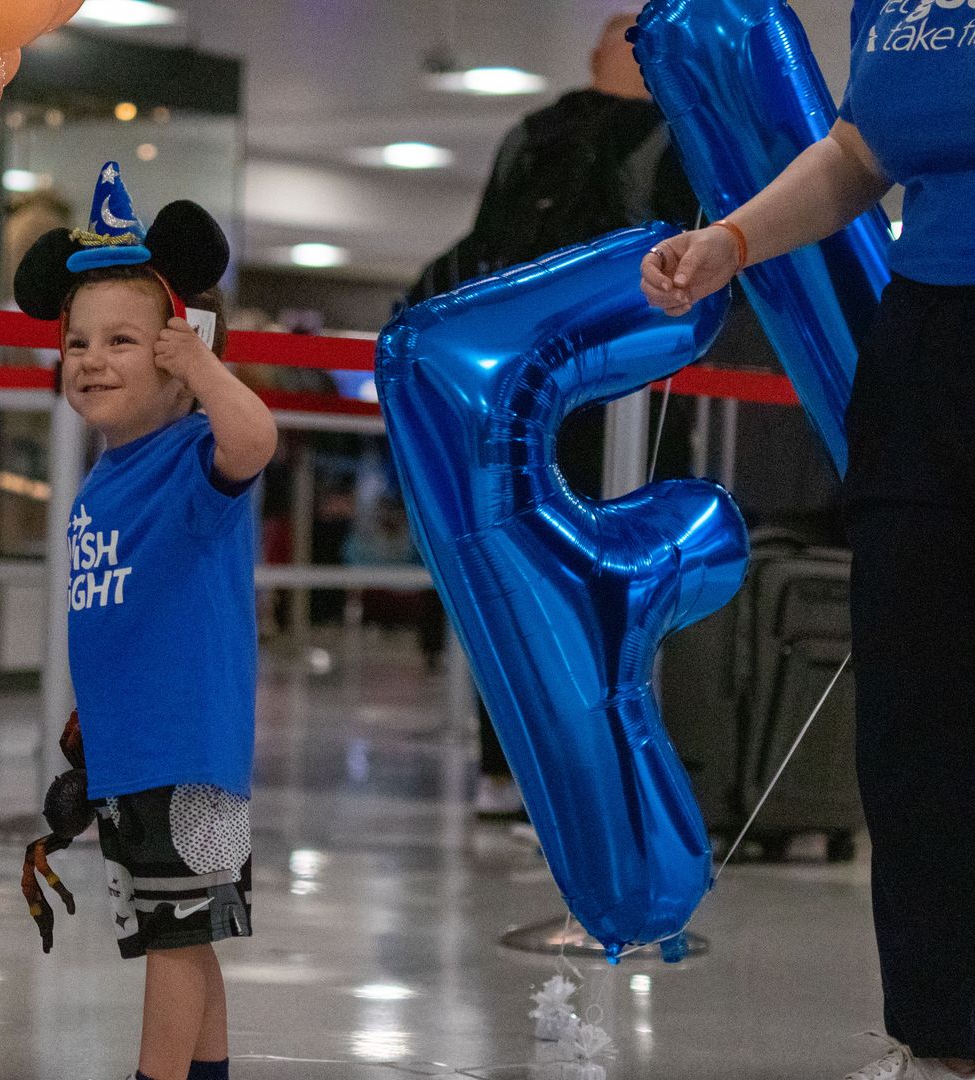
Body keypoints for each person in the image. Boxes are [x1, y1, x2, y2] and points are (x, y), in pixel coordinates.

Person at [641, 1, 975, 1076]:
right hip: (926, 340)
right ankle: (945, 1027)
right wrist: (732, 240)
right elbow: (862, 154)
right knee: (916, 716)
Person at [14, 162, 276, 1080]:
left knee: (171, 943)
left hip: (185, 752)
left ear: (175, 347)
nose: (91, 359)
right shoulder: (107, 474)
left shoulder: (188, 457)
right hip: (136, 752)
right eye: (77, 342)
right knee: (184, 934)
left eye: (123, 340)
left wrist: (203, 369)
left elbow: (256, 442)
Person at [408, 10, 703, 819]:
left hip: (616, 397)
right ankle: (522, 765)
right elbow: (487, 247)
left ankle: (604, 773)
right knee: (516, 574)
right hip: (540, 400)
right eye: (625, 32)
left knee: (608, 579)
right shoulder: (550, 135)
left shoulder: (675, 134)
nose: (638, 42)